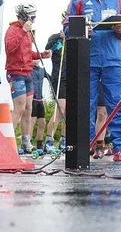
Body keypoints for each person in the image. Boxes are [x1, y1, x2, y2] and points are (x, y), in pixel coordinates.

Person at [64, 0, 121, 161]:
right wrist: (81, 30)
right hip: (88, 59)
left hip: (114, 59)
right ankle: (84, 147)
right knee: (86, 105)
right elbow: (67, 28)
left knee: (117, 104)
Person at [5, 3, 49, 153]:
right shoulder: (13, 30)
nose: (34, 20)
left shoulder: (28, 33)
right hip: (15, 71)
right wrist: (23, 31)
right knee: (20, 107)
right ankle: (6, 139)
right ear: (24, 16)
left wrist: (41, 54)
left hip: (27, 72)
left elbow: (27, 52)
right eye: (32, 17)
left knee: (28, 108)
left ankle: (26, 141)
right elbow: (10, 48)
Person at [45, 24, 67, 153]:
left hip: (71, 77)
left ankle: (64, 140)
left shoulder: (74, 39)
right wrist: (59, 36)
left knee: (69, 112)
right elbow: (47, 46)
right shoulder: (56, 38)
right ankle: (49, 140)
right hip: (59, 78)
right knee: (60, 109)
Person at [30, 51, 48, 151]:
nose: (35, 61)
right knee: (32, 121)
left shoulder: (42, 70)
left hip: (40, 99)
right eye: (34, 59)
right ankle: (28, 141)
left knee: (42, 122)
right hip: (32, 98)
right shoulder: (29, 70)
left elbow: (50, 78)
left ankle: (39, 143)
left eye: (37, 59)